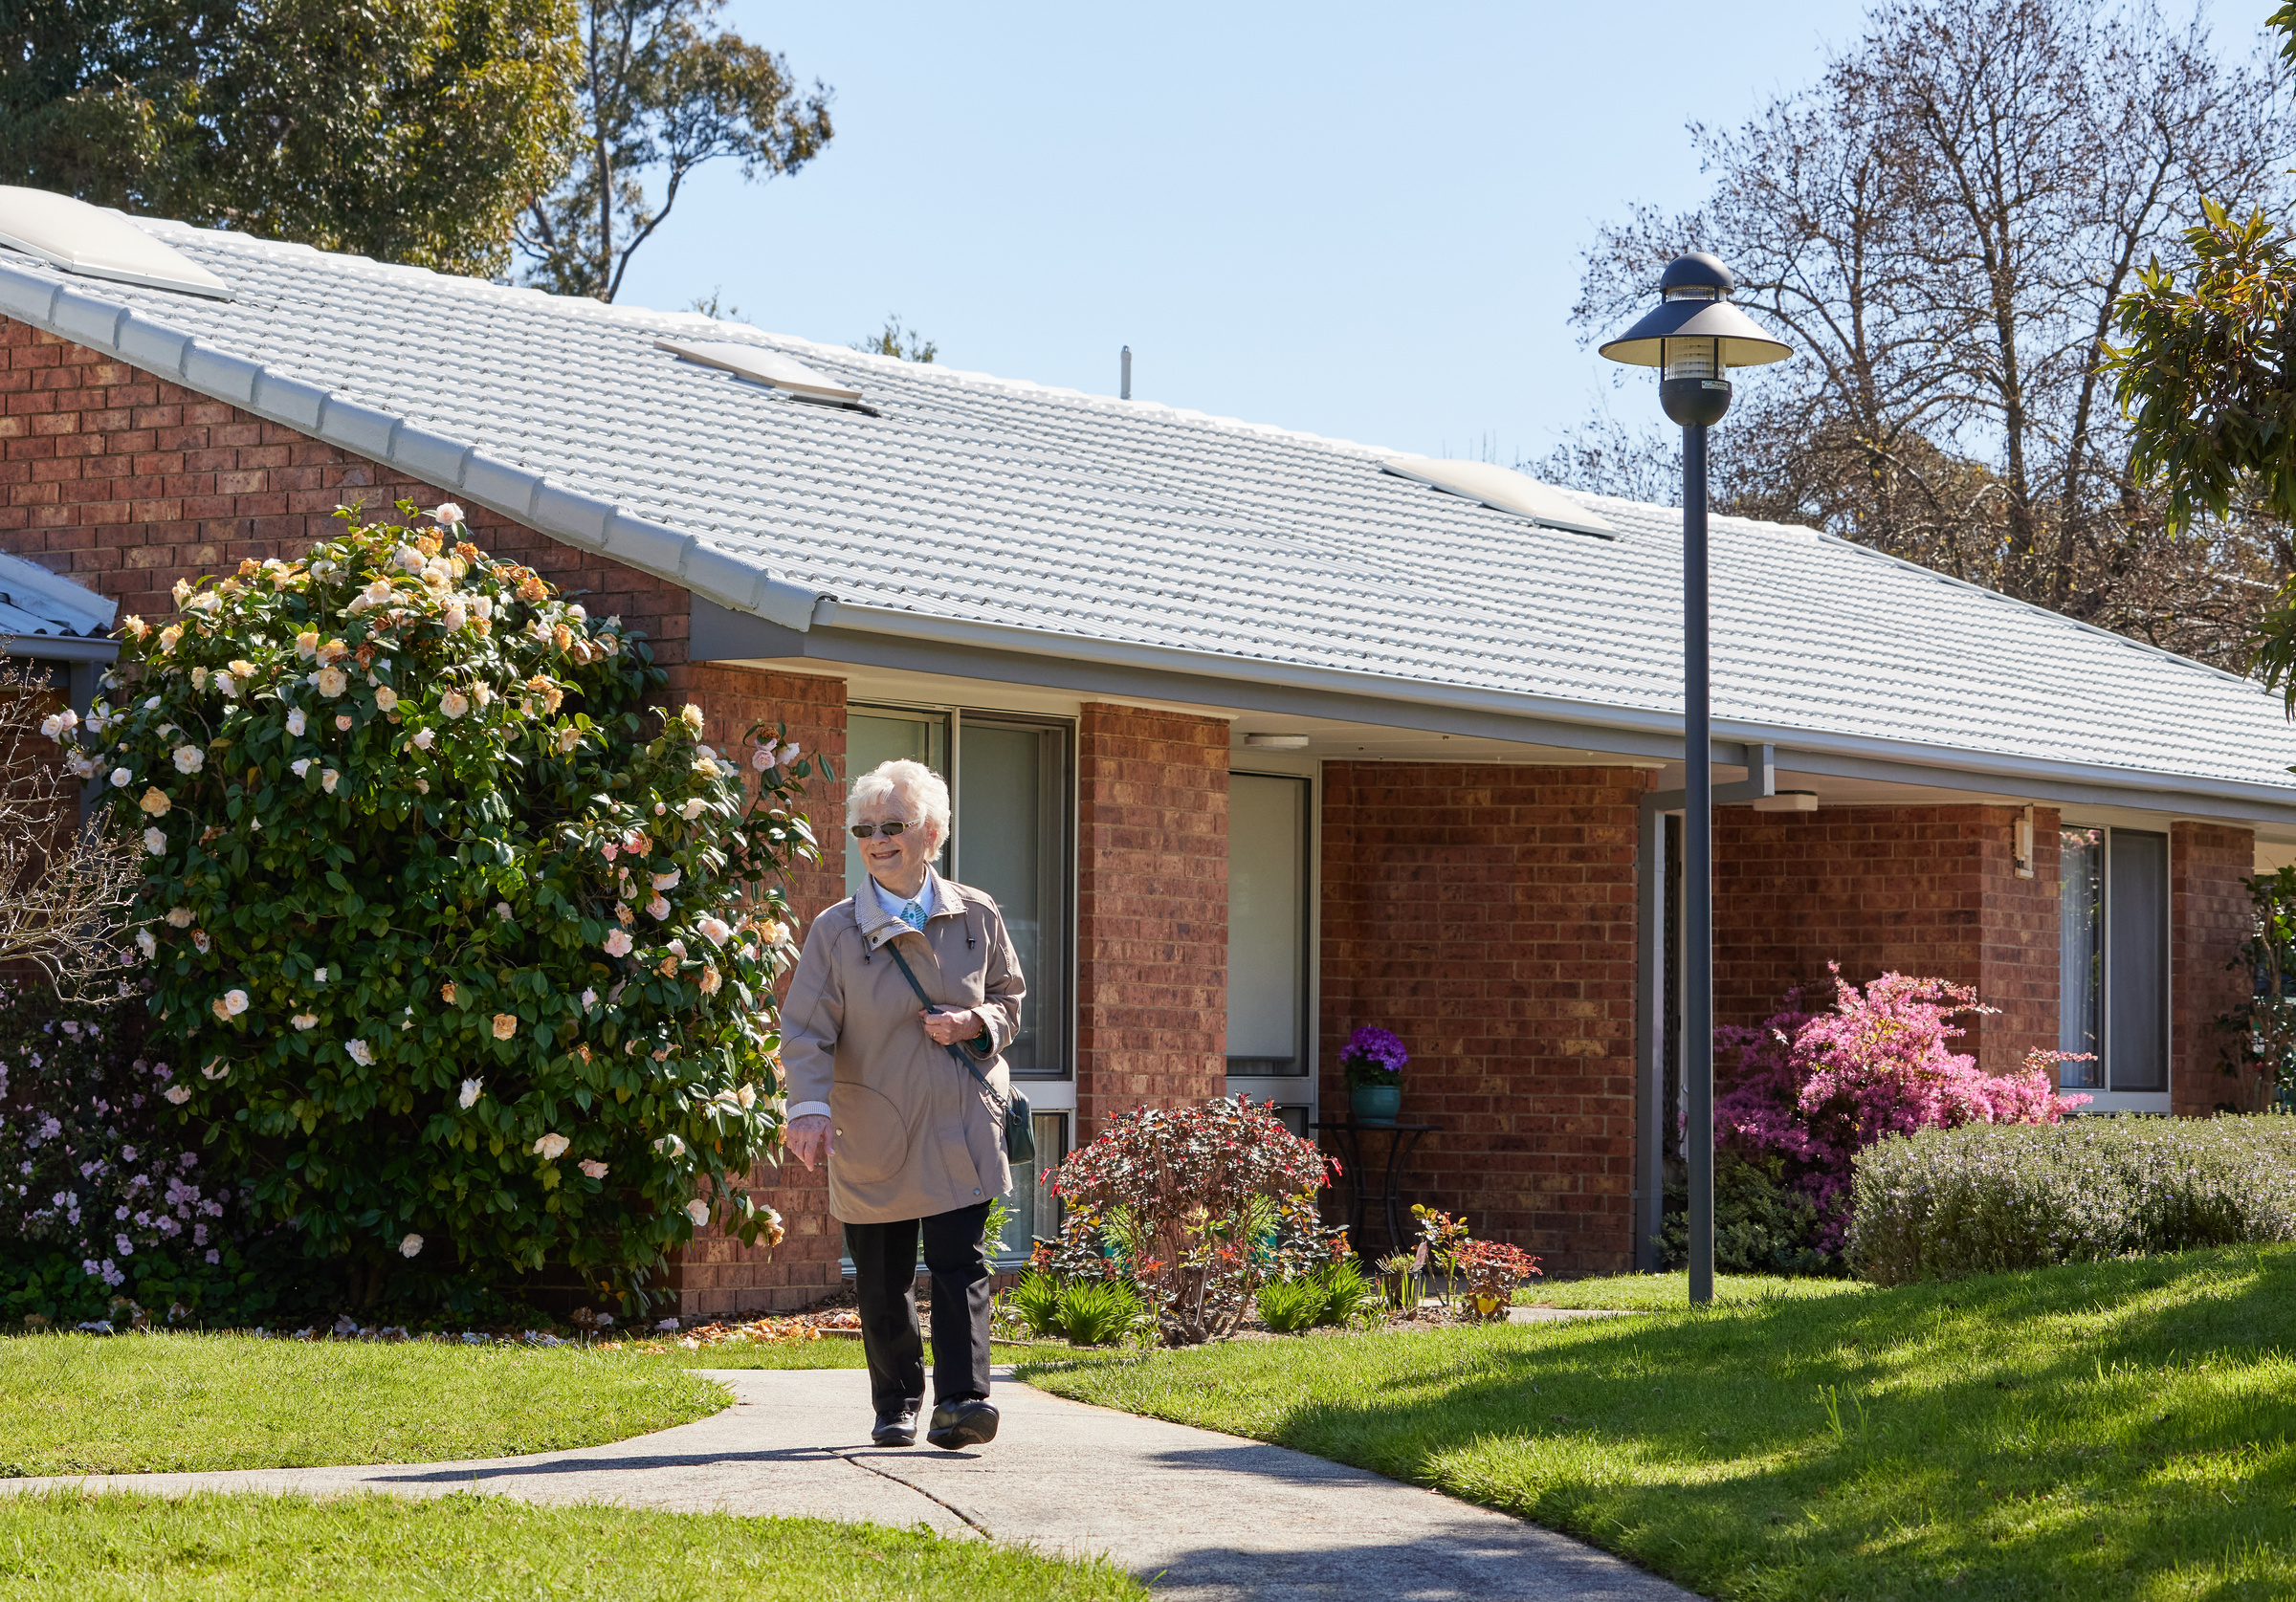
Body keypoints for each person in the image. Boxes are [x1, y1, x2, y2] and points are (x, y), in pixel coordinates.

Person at [781, 757, 1025, 1451]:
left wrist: (976, 1023)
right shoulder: (834, 930)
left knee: (959, 1263)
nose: (878, 839)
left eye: (894, 825)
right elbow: (805, 1029)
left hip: (957, 1118)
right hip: (873, 1121)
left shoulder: (977, 913)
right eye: (865, 827)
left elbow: (1010, 997)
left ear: (932, 833)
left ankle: (963, 1401)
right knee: (883, 1274)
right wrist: (808, 1108)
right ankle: (896, 1401)